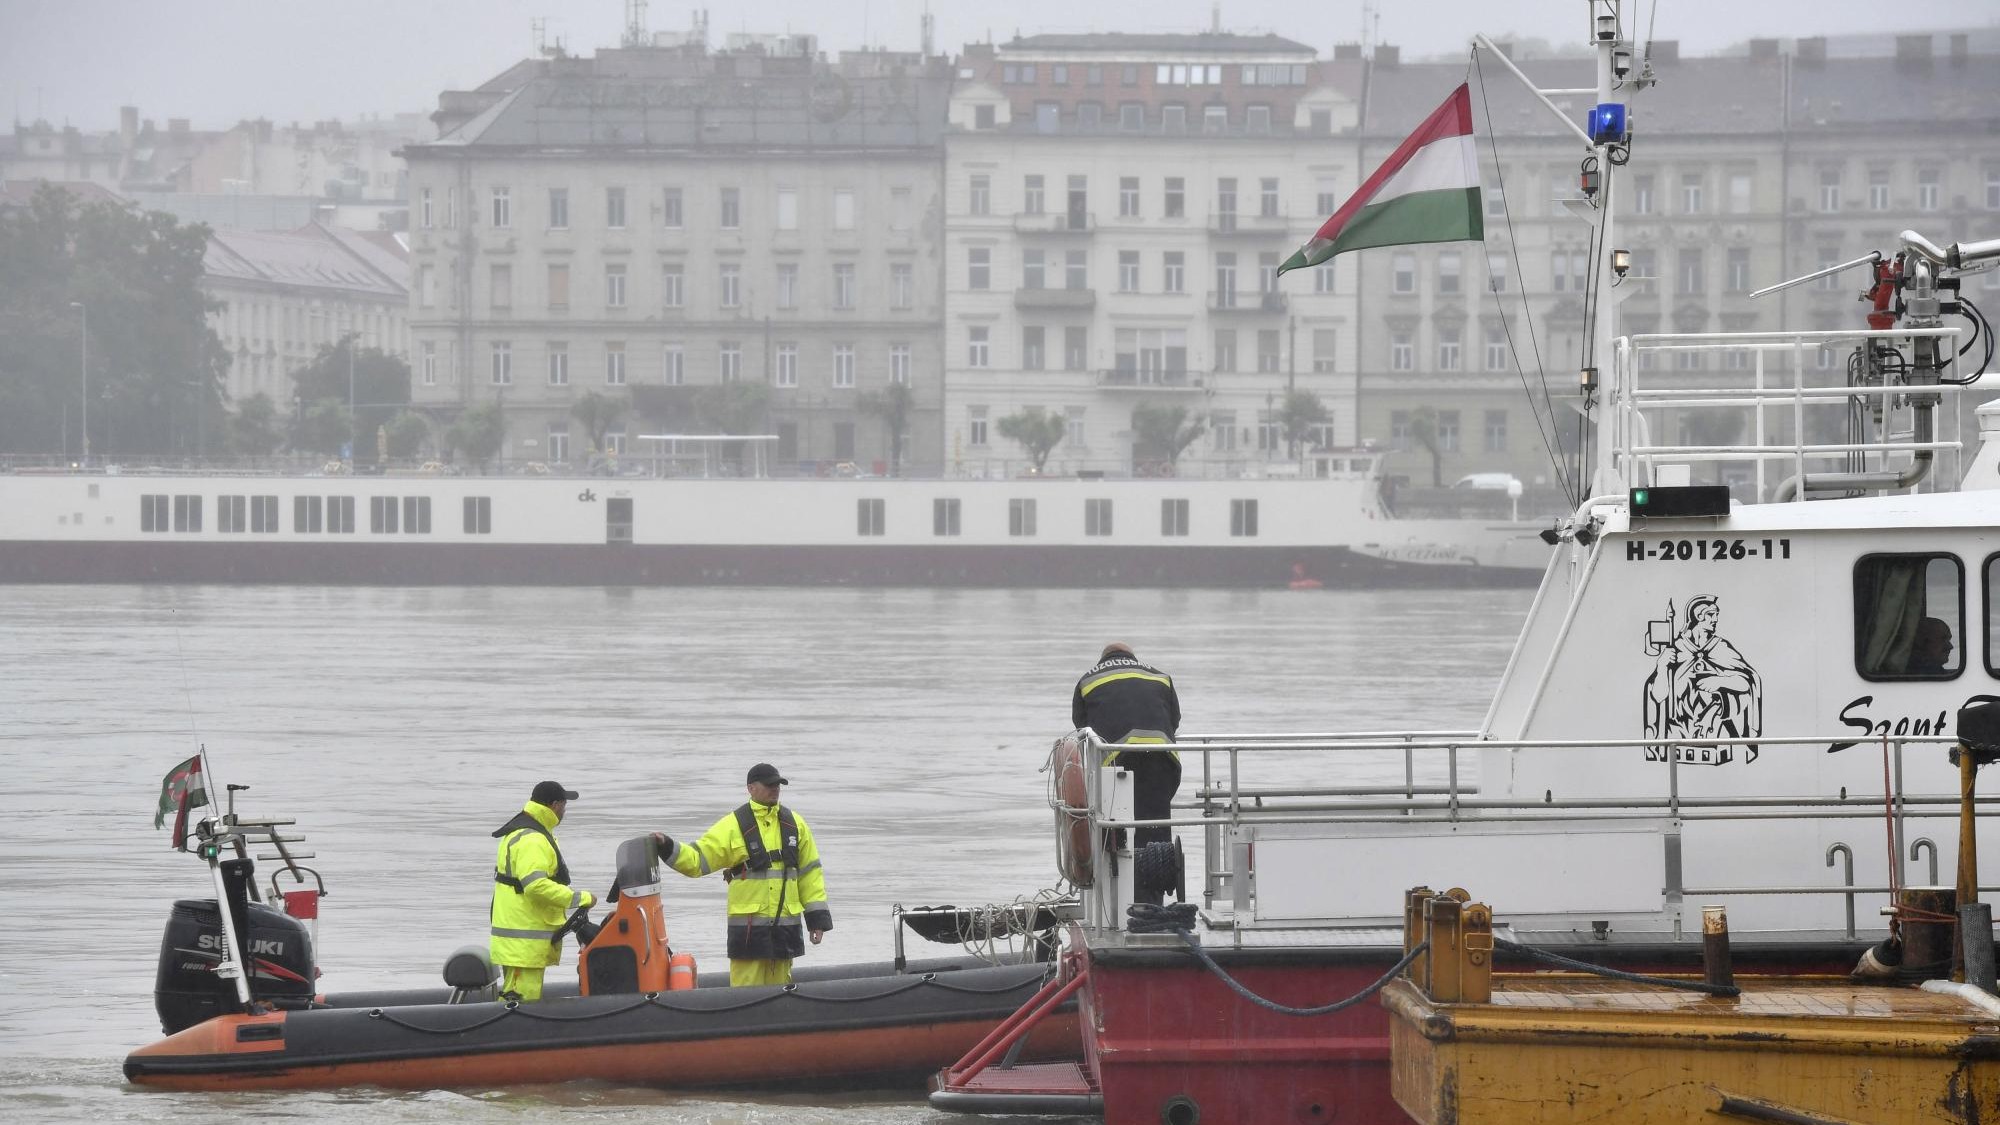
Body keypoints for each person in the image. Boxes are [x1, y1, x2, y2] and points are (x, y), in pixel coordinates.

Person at [654, 763, 832, 988]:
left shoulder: (796, 825)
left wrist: (817, 921)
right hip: (749, 935)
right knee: (745, 994)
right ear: (751, 788)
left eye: (777, 785)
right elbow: (697, 860)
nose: (775, 789)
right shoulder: (733, 825)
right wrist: (667, 846)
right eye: (769, 785)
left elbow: (811, 875)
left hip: (784, 934)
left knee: (781, 997)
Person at [489, 780, 596, 1002]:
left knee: (519, 995)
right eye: (564, 805)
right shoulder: (533, 839)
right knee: (521, 999)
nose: (564, 811)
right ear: (555, 805)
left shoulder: (526, 831)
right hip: (523, 939)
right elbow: (535, 886)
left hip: (519, 936)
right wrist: (579, 898)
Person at [1072, 642, 1182, 848]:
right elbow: (1174, 720)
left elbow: (1082, 728)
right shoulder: (1160, 677)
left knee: (1117, 828)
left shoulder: (1087, 680)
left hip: (1118, 762)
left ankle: (1119, 861)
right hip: (1163, 759)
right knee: (1155, 826)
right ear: (1132, 657)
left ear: (1103, 659)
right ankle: (1160, 863)